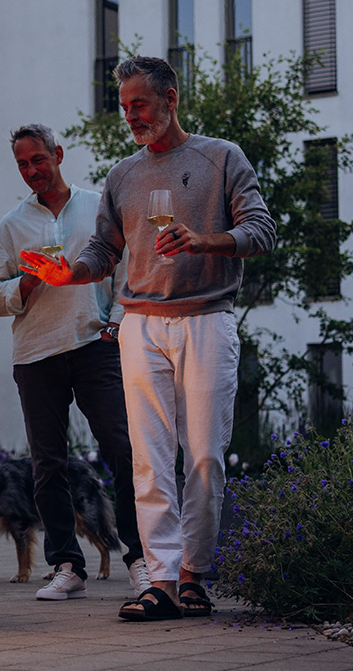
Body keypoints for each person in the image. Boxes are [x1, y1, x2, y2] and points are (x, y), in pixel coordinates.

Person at [20, 57, 276, 621]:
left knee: (204, 456)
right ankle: (160, 581)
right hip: (139, 324)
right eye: (124, 107)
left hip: (206, 318)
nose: (131, 115)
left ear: (171, 98)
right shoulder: (123, 175)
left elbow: (261, 231)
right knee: (149, 459)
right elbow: (104, 250)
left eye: (139, 104)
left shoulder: (222, 157)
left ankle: (194, 574)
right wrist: (70, 273)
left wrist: (204, 240)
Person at [0, 124, 149, 602]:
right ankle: (67, 565)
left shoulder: (99, 207)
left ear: (57, 154)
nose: (31, 170)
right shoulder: (11, 226)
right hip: (36, 355)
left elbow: (127, 271)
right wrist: (24, 284)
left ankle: (141, 558)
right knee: (47, 465)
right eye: (22, 164)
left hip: (95, 346)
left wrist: (115, 327)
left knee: (122, 449)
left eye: (38, 159)